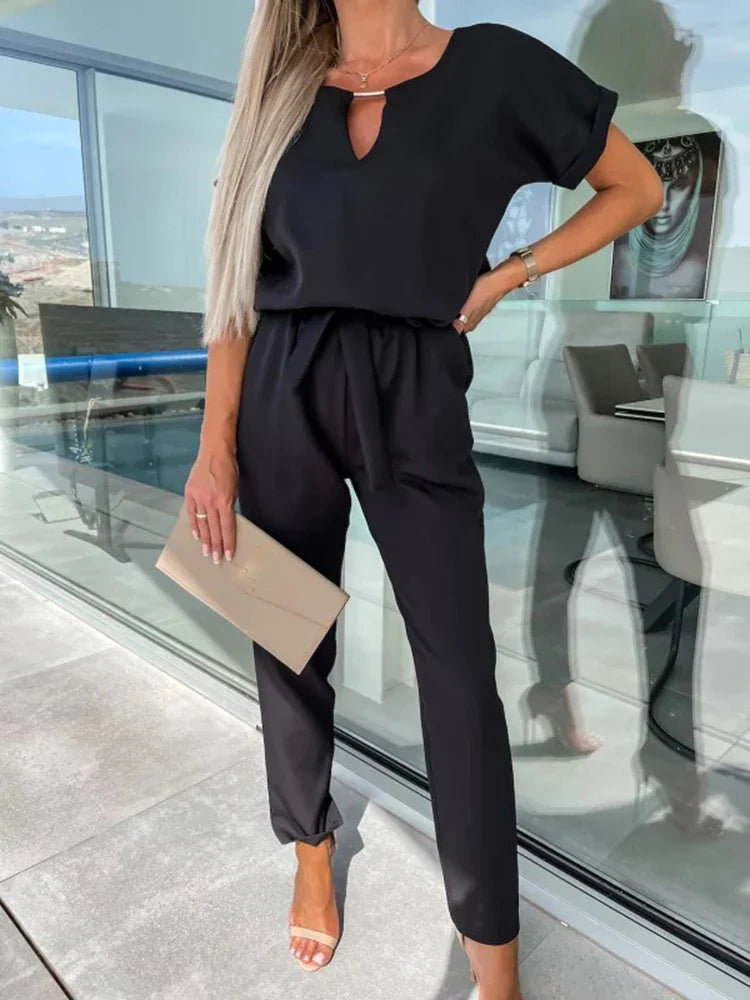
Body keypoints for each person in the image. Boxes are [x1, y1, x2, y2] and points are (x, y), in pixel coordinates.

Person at [184, 2, 662, 997]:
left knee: (458, 672)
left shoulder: (494, 68)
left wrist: (511, 275)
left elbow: (637, 187)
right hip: (277, 382)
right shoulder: (278, 93)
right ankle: (310, 846)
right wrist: (213, 447)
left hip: (415, 387)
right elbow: (235, 285)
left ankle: (493, 953)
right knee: (286, 639)